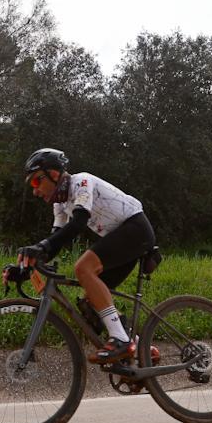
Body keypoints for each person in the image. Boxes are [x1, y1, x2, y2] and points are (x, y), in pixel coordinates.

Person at [17, 148, 156, 364]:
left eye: (37, 182)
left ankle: (121, 340)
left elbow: (79, 222)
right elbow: (56, 241)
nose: (35, 191)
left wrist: (41, 246)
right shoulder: (60, 205)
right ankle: (141, 349)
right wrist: (28, 262)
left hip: (135, 229)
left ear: (54, 174)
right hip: (122, 237)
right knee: (91, 302)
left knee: (83, 268)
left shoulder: (81, 181)